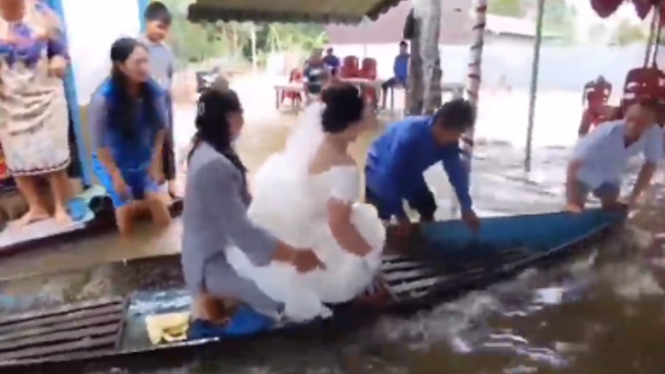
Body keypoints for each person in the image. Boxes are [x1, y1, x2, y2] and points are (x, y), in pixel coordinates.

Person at [224, 84, 386, 322]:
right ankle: (354, 300)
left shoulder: (318, 145)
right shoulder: (345, 168)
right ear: (352, 127)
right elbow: (339, 227)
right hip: (316, 231)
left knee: (360, 217)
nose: (370, 116)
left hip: (304, 217)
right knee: (366, 236)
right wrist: (370, 257)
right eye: (365, 113)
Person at [181, 88, 323, 332]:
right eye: (241, 114)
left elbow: (242, 210)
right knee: (286, 298)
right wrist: (296, 256)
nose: (243, 121)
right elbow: (244, 234)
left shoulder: (205, 148)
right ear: (230, 118)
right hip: (212, 263)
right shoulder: (214, 165)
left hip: (215, 249)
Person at [0, 0, 73, 226]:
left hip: (46, 94)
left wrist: (59, 62)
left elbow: (60, 50)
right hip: (9, 99)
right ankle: (36, 207)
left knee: (54, 153)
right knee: (16, 155)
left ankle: (62, 206)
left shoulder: (41, 12)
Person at [89, 37, 171, 235]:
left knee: (157, 203)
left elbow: (161, 129)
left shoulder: (155, 92)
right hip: (112, 162)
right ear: (122, 67)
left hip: (142, 160)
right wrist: (116, 177)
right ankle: (129, 257)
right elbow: (100, 146)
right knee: (124, 207)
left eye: (146, 61)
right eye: (138, 62)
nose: (145, 68)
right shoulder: (103, 100)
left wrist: (155, 161)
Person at [365, 98, 480, 235]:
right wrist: (400, 215)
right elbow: (388, 175)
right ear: (440, 123)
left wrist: (466, 207)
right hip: (378, 169)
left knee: (428, 207)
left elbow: (457, 173)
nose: (455, 139)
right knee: (382, 217)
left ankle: (424, 239)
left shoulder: (449, 142)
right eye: (456, 133)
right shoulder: (410, 136)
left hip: (411, 174)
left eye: (459, 134)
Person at [565, 100, 663, 213]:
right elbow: (574, 164)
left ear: (652, 123)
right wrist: (571, 202)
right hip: (583, 170)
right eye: (630, 119)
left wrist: (633, 198)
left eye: (641, 122)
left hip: (610, 175)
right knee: (575, 210)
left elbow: (650, 165)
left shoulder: (654, 133)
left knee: (611, 209)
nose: (632, 125)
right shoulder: (606, 132)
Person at [141, 1, 178, 198]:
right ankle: (152, 185)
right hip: (143, 104)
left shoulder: (166, 51)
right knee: (147, 144)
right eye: (159, 26)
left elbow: (170, 75)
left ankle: (172, 182)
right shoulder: (137, 47)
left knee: (168, 142)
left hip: (164, 101)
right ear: (147, 22)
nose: (162, 32)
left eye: (166, 28)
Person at [380, 41, 410, 109]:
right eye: (401, 48)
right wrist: (396, 77)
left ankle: (407, 107)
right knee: (384, 85)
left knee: (408, 87)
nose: (401, 50)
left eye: (403, 48)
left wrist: (407, 78)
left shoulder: (409, 57)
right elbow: (395, 68)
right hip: (397, 77)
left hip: (406, 78)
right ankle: (383, 105)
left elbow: (410, 70)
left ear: (406, 48)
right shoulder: (397, 58)